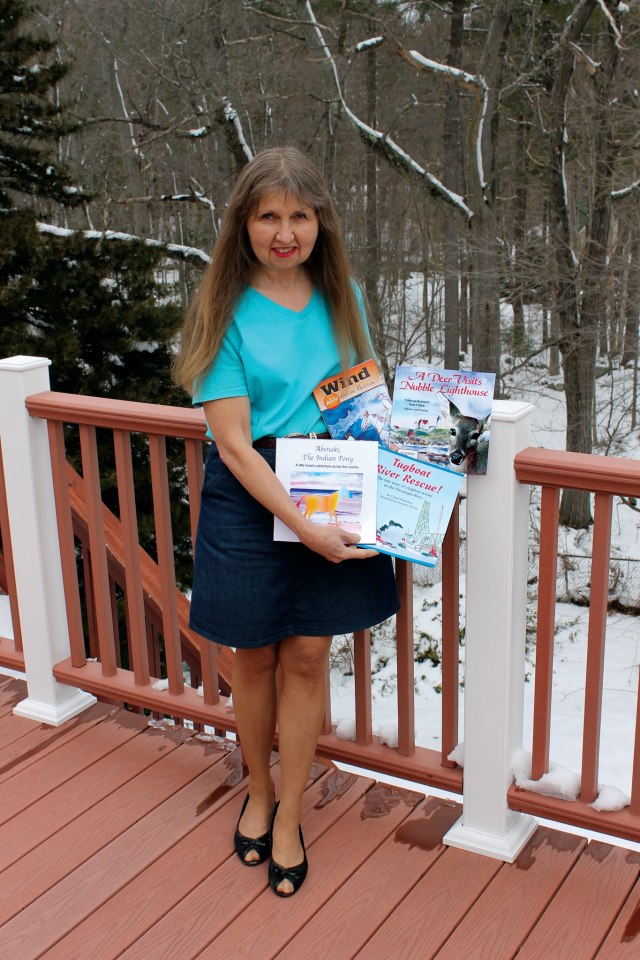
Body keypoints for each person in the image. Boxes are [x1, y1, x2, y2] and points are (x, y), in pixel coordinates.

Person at [174, 146, 399, 897]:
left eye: (298, 215)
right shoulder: (223, 308)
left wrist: (408, 471)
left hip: (332, 483)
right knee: (256, 655)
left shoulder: (345, 299)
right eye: (268, 215)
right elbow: (234, 443)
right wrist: (302, 526)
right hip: (251, 494)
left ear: (318, 223)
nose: (284, 231)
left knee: (307, 658)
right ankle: (259, 791)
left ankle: (293, 811)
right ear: (243, 224)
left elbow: (366, 400)